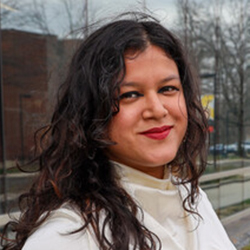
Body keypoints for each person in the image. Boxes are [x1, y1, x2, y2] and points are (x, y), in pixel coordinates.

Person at [1, 14, 236, 250]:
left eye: (168, 89)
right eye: (130, 94)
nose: (157, 109)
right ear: (92, 112)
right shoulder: (65, 235)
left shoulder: (194, 200)